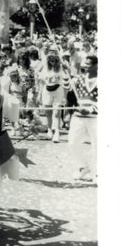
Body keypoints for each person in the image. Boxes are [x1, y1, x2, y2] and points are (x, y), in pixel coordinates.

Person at [69, 53, 98, 182]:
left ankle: (98, 173)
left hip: (96, 118)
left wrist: (91, 109)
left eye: (88, 64)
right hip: (79, 116)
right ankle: (82, 167)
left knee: (97, 145)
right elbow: (68, 93)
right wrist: (68, 79)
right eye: (84, 63)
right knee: (72, 142)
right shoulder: (78, 79)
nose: (85, 66)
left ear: (96, 66)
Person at [39, 51, 65, 142]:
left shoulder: (61, 68)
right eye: (50, 60)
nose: (52, 62)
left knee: (57, 112)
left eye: (54, 60)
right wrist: (39, 94)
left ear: (57, 60)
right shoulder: (45, 69)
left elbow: (67, 77)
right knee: (48, 112)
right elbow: (41, 82)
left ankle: (57, 132)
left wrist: (66, 66)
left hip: (58, 90)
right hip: (47, 90)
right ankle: (50, 130)